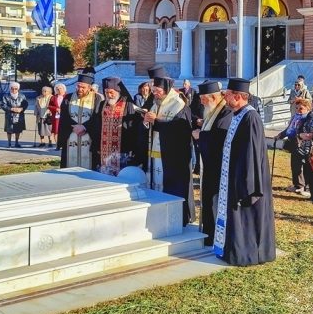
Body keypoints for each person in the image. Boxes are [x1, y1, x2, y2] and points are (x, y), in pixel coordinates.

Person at [213, 78, 276, 266]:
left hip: (245, 179)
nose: (225, 98)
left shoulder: (250, 117)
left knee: (247, 216)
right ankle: (232, 250)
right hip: (233, 175)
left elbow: (252, 153)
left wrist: (246, 184)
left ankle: (247, 253)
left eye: (228, 94)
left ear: (239, 96)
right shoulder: (237, 114)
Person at [141, 76, 195, 226]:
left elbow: (179, 130)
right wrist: (147, 121)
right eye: (153, 91)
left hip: (173, 156)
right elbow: (151, 124)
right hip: (156, 153)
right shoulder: (157, 102)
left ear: (166, 90)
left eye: (157, 91)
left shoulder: (178, 104)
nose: (155, 94)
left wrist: (156, 121)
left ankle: (177, 218)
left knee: (173, 186)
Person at [192, 80, 233, 246]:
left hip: (219, 165)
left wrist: (200, 136)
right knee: (208, 199)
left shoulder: (226, 112)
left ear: (214, 97)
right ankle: (208, 232)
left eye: (203, 98)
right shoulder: (213, 110)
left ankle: (215, 233)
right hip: (209, 164)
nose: (201, 102)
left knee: (215, 200)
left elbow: (220, 137)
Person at [92, 76, 143, 175]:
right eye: (106, 92)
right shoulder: (102, 104)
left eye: (111, 92)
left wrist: (133, 147)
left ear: (118, 91)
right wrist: (96, 145)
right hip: (104, 150)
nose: (109, 95)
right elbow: (96, 125)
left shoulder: (128, 105)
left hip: (123, 149)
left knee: (121, 176)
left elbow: (134, 126)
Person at [57, 73, 102, 169]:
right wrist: (74, 126)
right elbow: (64, 117)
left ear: (90, 87)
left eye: (83, 87)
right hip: (71, 135)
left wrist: (85, 127)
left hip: (89, 136)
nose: (80, 89)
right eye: (78, 86)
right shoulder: (68, 98)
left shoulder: (97, 98)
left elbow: (97, 117)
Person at [275, 97, 312, 198]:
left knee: (301, 166)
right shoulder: (295, 116)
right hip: (292, 142)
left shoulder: (307, 118)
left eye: (301, 108)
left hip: (301, 144)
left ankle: (302, 185)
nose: (298, 110)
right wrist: (281, 135)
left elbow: (304, 131)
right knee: (294, 165)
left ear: (307, 108)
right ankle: (296, 184)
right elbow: (289, 129)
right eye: (297, 108)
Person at [1, 81, 29, 147]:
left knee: (18, 129)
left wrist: (21, 109)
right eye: (12, 88)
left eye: (16, 89)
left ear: (18, 89)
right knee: (9, 130)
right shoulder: (6, 96)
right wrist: (11, 109)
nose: (14, 90)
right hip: (9, 115)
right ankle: (9, 143)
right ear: (10, 88)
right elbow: (3, 105)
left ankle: (17, 142)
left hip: (19, 115)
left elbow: (26, 104)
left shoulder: (22, 96)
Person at [48, 83, 67, 150]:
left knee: (65, 130)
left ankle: (65, 145)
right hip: (56, 117)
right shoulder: (53, 97)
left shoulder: (67, 96)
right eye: (57, 89)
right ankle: (57, 145)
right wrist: (56, 109)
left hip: (66, 117)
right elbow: (49, 106)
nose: (59, 90)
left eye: (60, 88)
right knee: (56, 131)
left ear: (64, 89)